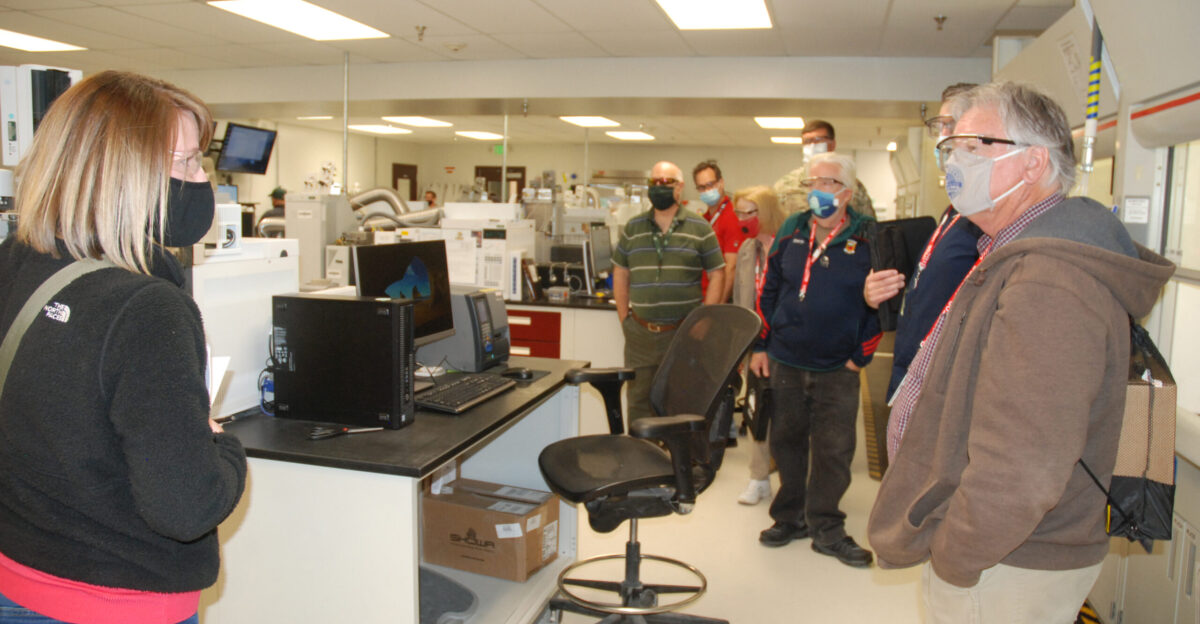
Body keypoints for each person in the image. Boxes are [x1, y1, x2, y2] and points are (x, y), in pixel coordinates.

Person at [867, 82, 1174, 623]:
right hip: (1007, 554)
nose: (954, 162)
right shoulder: (1016, 253)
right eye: (949, 149)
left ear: (1033, 164)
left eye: (973, 146)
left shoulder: (1048, 279)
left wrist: (957, 555)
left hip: (1007, 563)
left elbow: (1024, 464)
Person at [0, 71, 248, 624]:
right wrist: (222, 448)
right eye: (185, 163)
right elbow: (186, 507)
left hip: (15, 573)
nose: (201, 177)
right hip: (116, 601)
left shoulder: (13, 264)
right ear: (124, 177)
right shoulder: (145, 309)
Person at [750, 152, 880, 568]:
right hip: (786, 360)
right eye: (811, 184)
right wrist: (760, 345)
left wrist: (862, 356)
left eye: (825, 183)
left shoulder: (870, 237)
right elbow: (769, 290)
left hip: (838, 366)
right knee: (787, 443)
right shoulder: (791, 229)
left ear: (846, 191)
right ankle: (790, 517)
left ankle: (826, 526)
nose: (816, 192)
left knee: (833, 450)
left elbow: (886, 304)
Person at [863, 83, 981, 405]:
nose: (941, 136)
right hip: (912, 376)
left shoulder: (987, 221)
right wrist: (880, 293)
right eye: (939, 126)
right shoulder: (953, 214)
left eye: (950, 124)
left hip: (945, 389)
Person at [611, 161, 725, 423]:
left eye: (667, 182)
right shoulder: (633, 227)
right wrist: (624, 318)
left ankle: (677, 462)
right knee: (638, 402)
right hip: (640, 332)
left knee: (681, 402)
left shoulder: (700, 228)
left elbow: (718, 272)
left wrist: (705, 319)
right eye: (655, 182)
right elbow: (621, 272)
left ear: (680, 188)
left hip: (683, 332)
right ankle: (643, 458)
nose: (659, 187)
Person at [728, 185, 787, 505]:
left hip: (787, 346)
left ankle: (792, 483)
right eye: (739, 212)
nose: (742, 219)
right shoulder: (747, 250)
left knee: (788, 416)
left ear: (765, 212)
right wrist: (741, 348)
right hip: (755, 347)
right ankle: (758, 477)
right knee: (757, 411)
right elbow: (741, 302)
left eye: (748, 212)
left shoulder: (790, 247)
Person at [774, 120, 876, 218]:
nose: (812, 145)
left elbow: (868, 223)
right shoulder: (785, 185)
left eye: (818, 140)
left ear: (832, 144)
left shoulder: (852, 184)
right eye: (807, 141)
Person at [693, 160, 746, 303]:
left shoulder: (733, 216)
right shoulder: (705, 219)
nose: (706, 191)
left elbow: (731, 267)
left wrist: (718, 308)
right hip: (702, 296)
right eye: (701, 187)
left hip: (718, 300)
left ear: (721, 183)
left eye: (710, 185)